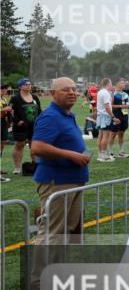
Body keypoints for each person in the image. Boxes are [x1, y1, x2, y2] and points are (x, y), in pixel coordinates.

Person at [30, 77, 90, 240]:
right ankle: (41, 267)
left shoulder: (66, 115)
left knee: (65, 231)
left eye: (73, 89)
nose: (71, 92)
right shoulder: (50, 117)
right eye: (65, 89)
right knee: (52, 233)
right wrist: (71, 155)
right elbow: (37, 147)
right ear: (52, 93)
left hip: (71, 180)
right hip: (57, 181)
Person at [11, 77, 42, 173]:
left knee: (34, 146)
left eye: (29, 84)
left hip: (34, 126)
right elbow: (10, 112)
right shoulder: (15, 98)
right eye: (26, 84)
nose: (29, 86)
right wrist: (17, 121)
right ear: (20, 87)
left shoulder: (35, 97)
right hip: (21, 126)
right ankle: (17, 167)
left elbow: (39, 110)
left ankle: (36, 165)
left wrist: (41, 121)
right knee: (19, 145)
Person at [95, 78, 117, 162]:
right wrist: (113, 116)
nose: (112, 85)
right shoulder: (105, 93)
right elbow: (107, 106)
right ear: (108, 83)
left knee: (100, 135)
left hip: (100, 115)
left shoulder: (100, 92)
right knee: (105, 136)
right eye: (111, 83)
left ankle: (100, 154)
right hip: (105, 116)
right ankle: (104, 156)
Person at [111, 79, 129, 158]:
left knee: (121, 134)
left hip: (124, 116)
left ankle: (121, 152)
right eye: (122, 83)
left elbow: (128, 104)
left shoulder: (126, 94)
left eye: (124, 83)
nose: (124, 84)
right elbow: (110, 106)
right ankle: (110, 152)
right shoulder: (113, 94)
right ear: (117, 84)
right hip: (116, 116)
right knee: (113, 134)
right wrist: (121, 106)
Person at [0, 84, 12, 181]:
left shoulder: (3, 99)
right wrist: (4, 109)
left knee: (3, 143)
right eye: (2, 88)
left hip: (3, 121)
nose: (4, 90)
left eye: (5, 88)